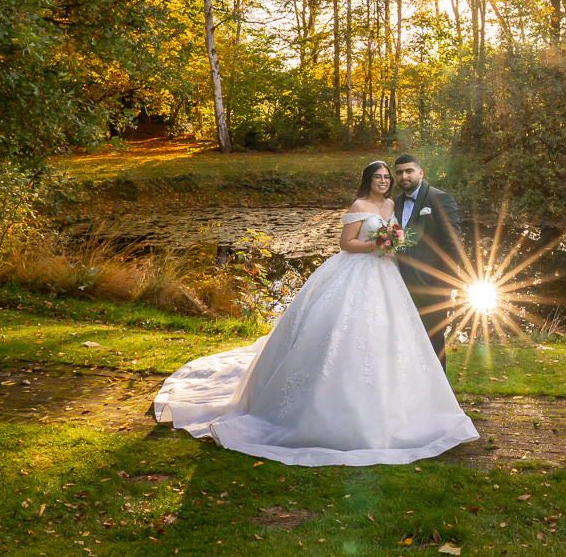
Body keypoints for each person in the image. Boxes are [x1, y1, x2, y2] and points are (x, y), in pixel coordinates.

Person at [152, 160, 478, 467]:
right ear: (369, 181)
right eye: (380, 177)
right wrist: (378, 245)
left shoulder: (392, 206)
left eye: (388, 177)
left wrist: (391, 244)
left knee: (392, 337)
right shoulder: (358, 207)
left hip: (388, 275)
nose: (386, 181)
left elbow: (429, 239)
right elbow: (347, 243)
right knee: (344, 333)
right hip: (358, 271)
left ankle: (411, 401)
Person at [393, 154, 461, 369]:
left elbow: (453, 244)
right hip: (397, 284)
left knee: (433, 342)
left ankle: (439, 395)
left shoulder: (440, 199)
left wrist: (448, 284)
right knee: (405, 341)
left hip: (431, 285)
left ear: (420, 173)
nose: (404, 176)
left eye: (409, 171)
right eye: (399, 172)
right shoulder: (393, 203)